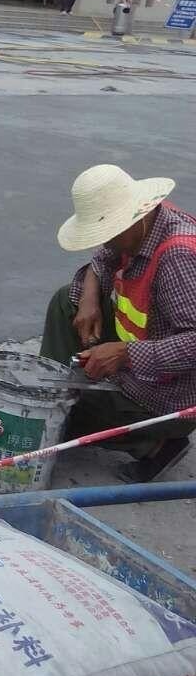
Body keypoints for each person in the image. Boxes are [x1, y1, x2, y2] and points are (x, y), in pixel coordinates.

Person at [41, 164, 196, 483]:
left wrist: (125, 354)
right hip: (145, 343)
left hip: (174, 393)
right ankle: (54, 399)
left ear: (134, 217)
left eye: (109, 232)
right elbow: (103, 260)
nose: (105, 241)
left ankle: (156, 442)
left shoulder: (178, 258)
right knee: (65, 300)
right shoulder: (145, 222)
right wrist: (88, 296)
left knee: (78, 409)